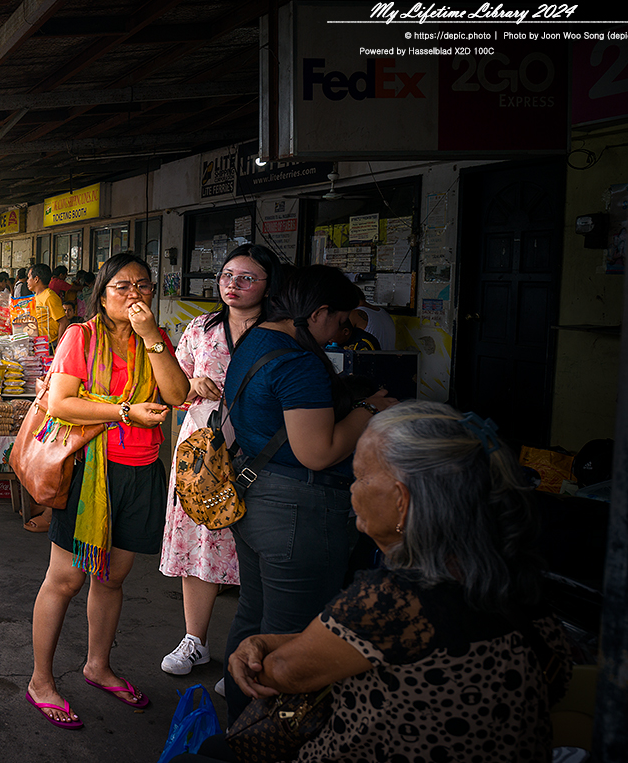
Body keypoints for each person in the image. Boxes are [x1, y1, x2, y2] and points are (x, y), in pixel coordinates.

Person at [177, 403, 572, 763]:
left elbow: (277, 672)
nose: (352, 488)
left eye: (361, 477)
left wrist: (262, 648)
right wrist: (268, 641)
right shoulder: (514, 581)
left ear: (403, 501)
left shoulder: (395, 601)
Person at [219, 265, 399, 721]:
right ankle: (264, 739)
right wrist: (367, 409)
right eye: (341, 321)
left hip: (254, 497)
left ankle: (235, 730)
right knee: (290, 640)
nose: (342, 333)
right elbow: (317, 452)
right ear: (318, 313)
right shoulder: (298, 363)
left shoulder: (255, 339)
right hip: (298, 513)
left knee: (252, 623)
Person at [26, 252, 188, 729]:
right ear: (102, 293)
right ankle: (41, 681)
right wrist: (124, 412)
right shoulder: (80, 336)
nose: (134, 295)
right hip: (90, 473)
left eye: (142, 285)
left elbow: (176, 395)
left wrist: (153, 338)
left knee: (112, 579)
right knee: (66, 580)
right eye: (122, 286)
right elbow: (60, 403)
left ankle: (97, 666)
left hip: (140, 473)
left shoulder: (154, 341)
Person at [158, 244, 284, 682]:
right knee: (199, 541)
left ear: (270, 285)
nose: (233, 284)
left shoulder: (282, 332)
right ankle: (195, 640)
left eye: (247, 277)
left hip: (260, 452)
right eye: (228, 275)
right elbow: (173, 387)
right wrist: (192, 382)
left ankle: (253, 646)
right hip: (203, 453)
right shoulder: (200, 328)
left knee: (258, 545)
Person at [27, 263, 68, 343]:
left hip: (49, 344)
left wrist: (59, 346)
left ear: (36, 279)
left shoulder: (49, 297)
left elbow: (64, 322)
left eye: (29, 277)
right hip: (37, 342)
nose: (27, 281)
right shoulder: (35, 296)